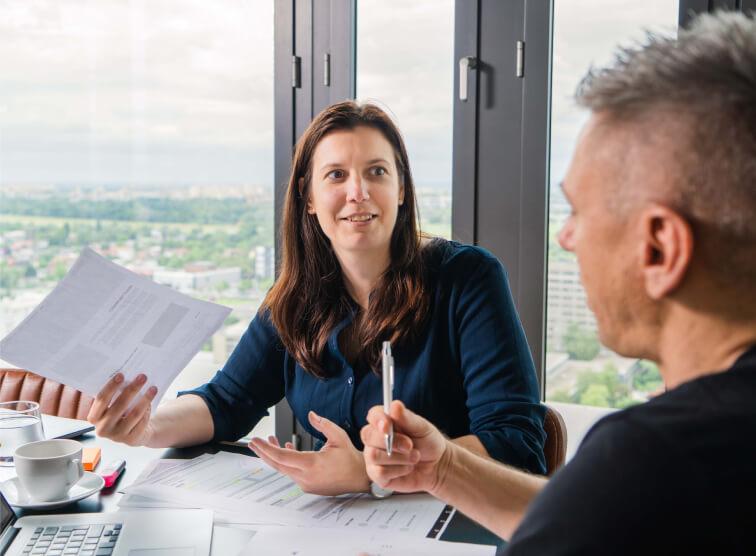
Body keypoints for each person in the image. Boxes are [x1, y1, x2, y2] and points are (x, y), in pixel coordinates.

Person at [361, 11, 756, 554]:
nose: (567, 238)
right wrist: (446, 467)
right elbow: (602, 523)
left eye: (578, 212)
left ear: (661, 248)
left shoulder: (656, 459)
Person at [87, 100, 547, 496]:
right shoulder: (295, 297)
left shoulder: (466, 278)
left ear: (402, 190)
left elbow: (517, 443)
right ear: (308, 197)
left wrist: (373, 473)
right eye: (336, 175)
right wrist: (146, 427)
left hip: (448, 527)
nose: (358, 192)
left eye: (377, 172)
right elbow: (226, 401)